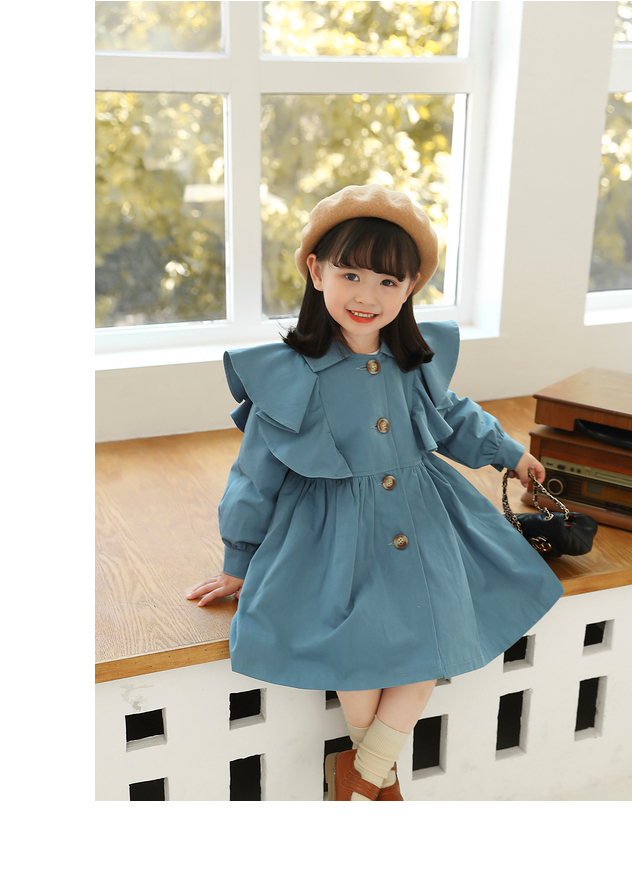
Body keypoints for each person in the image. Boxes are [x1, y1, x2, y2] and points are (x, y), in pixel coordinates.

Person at [187, 184, 564, 801]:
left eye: (388, 281)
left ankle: (361, 782)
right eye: (351, 274)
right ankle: (376, 783)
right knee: (354, 650)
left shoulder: (414, 359)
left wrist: (509, 453)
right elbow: (254, 474)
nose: (367, 296)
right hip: (331, 529)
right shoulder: (287, 376)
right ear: (316, 272)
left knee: (436, 630)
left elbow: (453, 415)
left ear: (411, 286)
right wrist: (239, 559)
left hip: (424, 515)